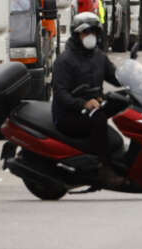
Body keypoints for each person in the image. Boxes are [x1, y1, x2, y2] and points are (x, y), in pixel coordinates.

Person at [51, 12, 125, 187]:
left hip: (92, 109)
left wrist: (137, 76)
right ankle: (103, 170)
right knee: (98, 119)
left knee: (122, 100)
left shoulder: (98, 56)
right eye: (86, 32)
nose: (90, 36)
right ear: (77, 35)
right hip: (69, 115)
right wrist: (83, 103)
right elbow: (60, 94)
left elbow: (115, 76)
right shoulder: (65, 61)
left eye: (93, 31)